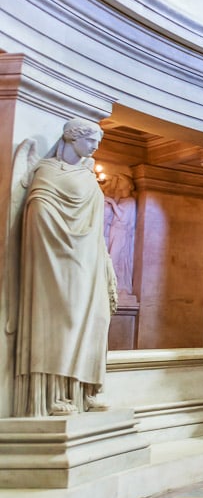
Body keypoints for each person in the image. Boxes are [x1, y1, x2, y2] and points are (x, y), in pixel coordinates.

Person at [14, 118, 117, 417]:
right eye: (90, 139)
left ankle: (87, 389)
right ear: (72, 138)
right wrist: (67, 242)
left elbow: (97, 227)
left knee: (97, 320)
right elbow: (37, 212)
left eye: (98, 140)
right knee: (63, 320)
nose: (96, 146)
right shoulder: (46, 172)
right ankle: (56, 394)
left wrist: (105, 261)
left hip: (91, 260)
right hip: (57, 258)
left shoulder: (87, 176)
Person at [103, 174, 137, 296]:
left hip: (121, 233)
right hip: (113, 231)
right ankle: (109, 285)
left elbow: (122, 218)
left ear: (128, 185)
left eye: (121, 181)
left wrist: (112, 202)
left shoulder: (130, 201)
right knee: (108, 257)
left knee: (115, 257)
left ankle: (115, 286)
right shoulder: (121, 200)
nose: (118, 183)